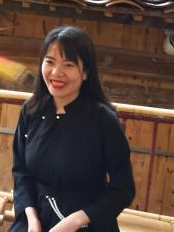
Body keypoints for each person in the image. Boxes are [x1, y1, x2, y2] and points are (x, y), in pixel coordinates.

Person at [9, 26, 135, 232]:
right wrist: (31, 219)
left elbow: (122, 190)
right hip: (35, 218)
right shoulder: (30, 111)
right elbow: (20, 172)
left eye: (68, 64)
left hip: (87, 221)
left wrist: (75, 221)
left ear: (85, 72)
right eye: (49, 62)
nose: (56, 73)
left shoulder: (103, 120)